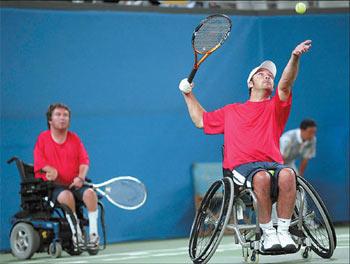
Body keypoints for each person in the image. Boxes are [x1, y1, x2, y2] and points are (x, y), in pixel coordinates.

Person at [179, 40, 312, 252]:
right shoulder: (231, 111)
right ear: (250, 83)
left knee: (288, 174)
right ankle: (268, 234)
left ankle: (284, 232)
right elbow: (201, 120)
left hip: (271, 164)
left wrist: (294, 57)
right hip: (240, 168)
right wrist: (188, 94)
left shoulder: (276, 107)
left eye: (270, 76)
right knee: (261, 177)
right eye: (261, 74)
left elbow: (285, 84)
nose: (268, 76)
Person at [34, 103, 99, 250]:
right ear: (50, 120)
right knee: (67, 196)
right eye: (58, 115)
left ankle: (94, 236)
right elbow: (39, 162)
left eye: (65, 115)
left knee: (90, 194)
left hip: (75, 183)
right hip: (54, 187)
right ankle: (77, 235)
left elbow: (84, 161)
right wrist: (50, 169)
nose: (62, 118)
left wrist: (81, 178)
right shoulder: (43, 139)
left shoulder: (74, 138)